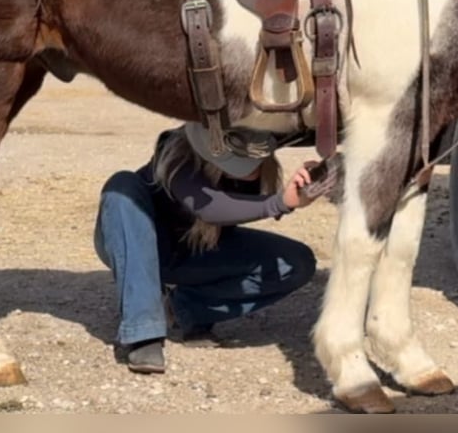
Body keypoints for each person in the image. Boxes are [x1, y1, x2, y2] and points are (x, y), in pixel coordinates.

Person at [93, 122, 331, 374]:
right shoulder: (177, 150)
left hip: (193, 252)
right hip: (135, 244)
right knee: (121, 187)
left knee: (296, 262)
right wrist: (279, 203)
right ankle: (143, 332)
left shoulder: (261, 147)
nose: (248, 167)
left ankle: (185, 309)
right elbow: (209, 208)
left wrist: (319, 173)